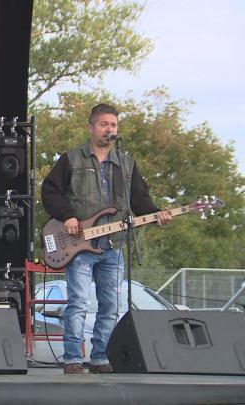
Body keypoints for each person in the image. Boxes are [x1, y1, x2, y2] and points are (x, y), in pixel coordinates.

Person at [41, 103, 171, 374]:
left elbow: (140, 200)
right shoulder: (72, 159)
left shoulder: (125, 163)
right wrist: (67, 216)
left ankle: (100, 358)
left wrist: (157, 214)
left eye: (113, 125)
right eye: (104, 124)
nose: (109, 129)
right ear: (91, 128)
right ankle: (73, 359)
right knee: (78, 302)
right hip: (79, 243)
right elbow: (50, 191)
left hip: (113, 245)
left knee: (110, 304)